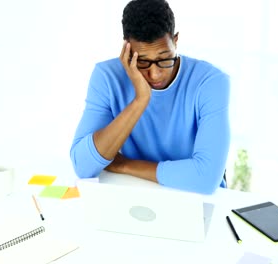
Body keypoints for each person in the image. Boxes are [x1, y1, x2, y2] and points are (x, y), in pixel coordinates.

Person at [70, 0, 230, 194]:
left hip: (195, 198)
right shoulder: (107, 77)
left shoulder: (211, 82)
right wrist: (140, 100)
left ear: (176, 40)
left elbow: (205, 178)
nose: (155, 75)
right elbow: (82, 166)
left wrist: (125, 165)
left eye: (164, 59)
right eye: (143, 62)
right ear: (127, 49)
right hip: (136, 192)